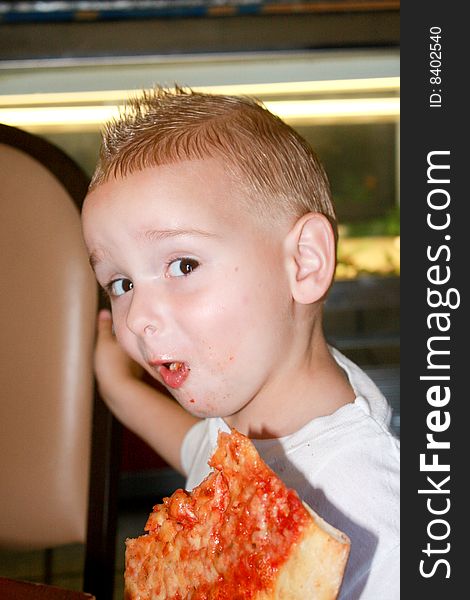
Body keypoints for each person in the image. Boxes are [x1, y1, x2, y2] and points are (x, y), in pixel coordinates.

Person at [81, 86, 399, 599]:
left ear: (305, 263)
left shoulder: (376, 513)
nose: (137, 318)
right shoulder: (246, 419)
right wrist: (117, 388)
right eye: (121, 284)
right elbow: (195, 445)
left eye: (183, 265)